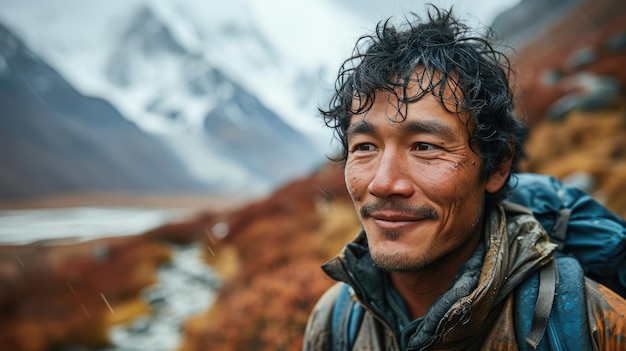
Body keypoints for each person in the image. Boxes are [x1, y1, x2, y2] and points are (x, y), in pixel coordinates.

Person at [302, 6, 626, 350]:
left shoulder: (596, 326)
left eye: (425, 146)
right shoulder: (334, 322)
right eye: (365, 146)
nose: (382, 183)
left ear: (497, 166)